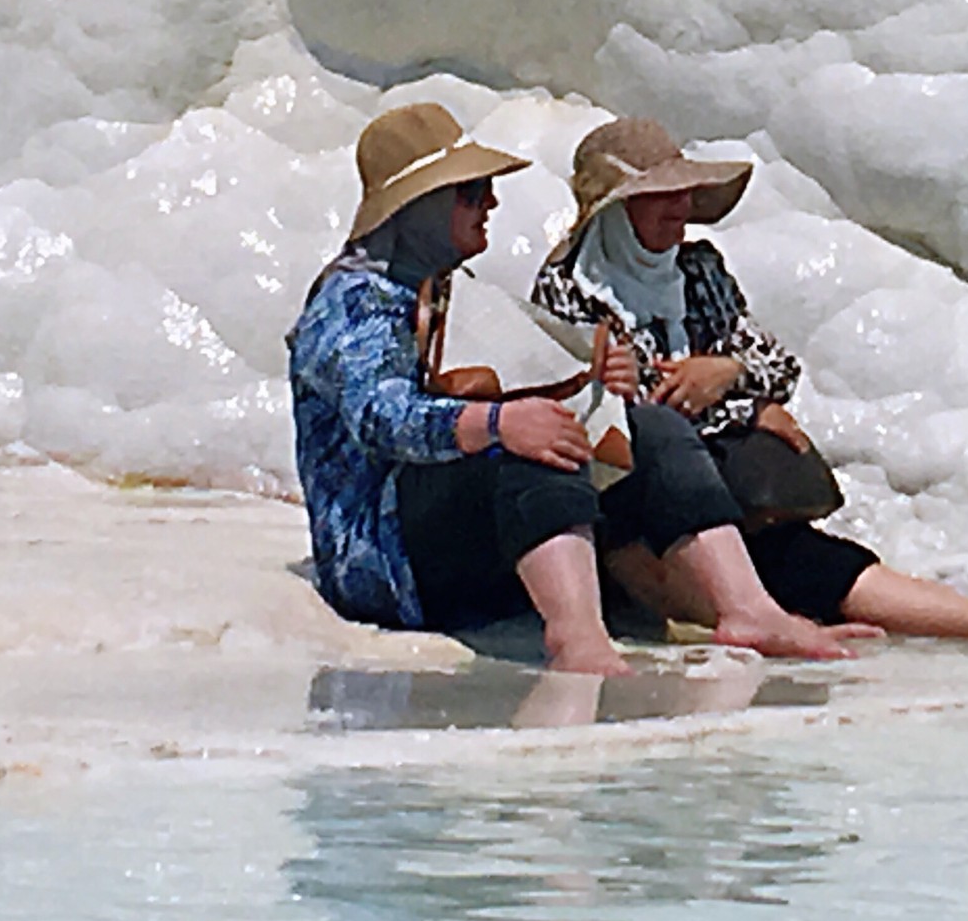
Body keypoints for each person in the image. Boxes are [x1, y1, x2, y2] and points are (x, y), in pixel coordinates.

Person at [287, 103, 872, 676]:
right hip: (386, 566)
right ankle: (579, 636)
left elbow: (497, 379)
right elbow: (380, 418)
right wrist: (500, 424)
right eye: (470, 193)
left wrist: (595, 388)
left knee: (653, 429)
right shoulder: (352, 300)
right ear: (415, 208)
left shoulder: (441, 287)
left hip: (449, 534)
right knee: (536, 439)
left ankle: (749, 610)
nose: (489, 203)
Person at [530, 116, 968, 643]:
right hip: (635, 495)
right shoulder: (567, 288)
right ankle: (756, 619)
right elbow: (621, 411)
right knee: (649, 521)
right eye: (660, 195)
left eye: (683, 192)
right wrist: (746, 409)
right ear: (613, 208)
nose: (679, 206)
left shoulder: (699, 270)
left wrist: (726, 373)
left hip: (722, 489)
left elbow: (776, 365)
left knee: (813, 560)